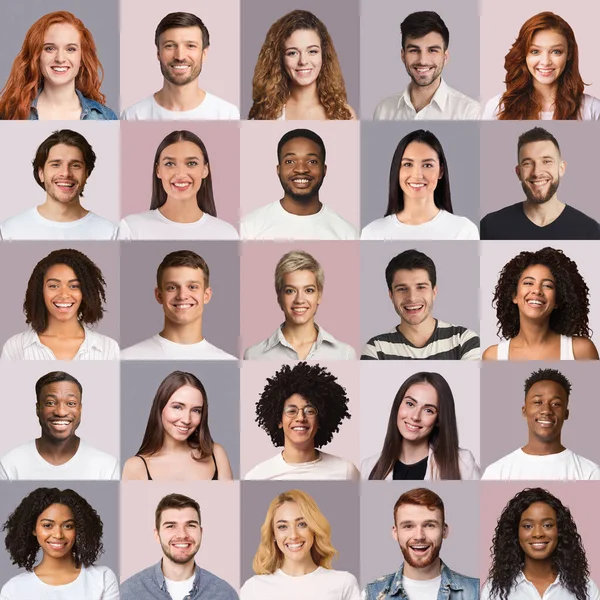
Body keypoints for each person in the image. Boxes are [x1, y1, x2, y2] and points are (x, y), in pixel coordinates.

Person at [245, 362, 359, 480]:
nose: (300, 418)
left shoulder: (346, 472)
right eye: (291, 411)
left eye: (309, 411)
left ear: (320, 420)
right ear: (279, 420)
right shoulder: (258, 477)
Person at [480, 127, 600, 239]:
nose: (537, 172)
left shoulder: (590, 231)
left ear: (561, 168)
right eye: (527, 163)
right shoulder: (491, 226)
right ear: (518, 172)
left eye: (546, 161)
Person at [481, 488, 600, 600]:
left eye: (547, 525)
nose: (538, 534)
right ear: (515, 532)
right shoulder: (493, 590)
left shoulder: (587, 588)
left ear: (560, 531)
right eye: (528, 526)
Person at [0, 248, 119, 360]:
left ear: (86, 292)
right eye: (53, 286)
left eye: (74, 286)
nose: (63, 294)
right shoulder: (15, 348)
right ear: (40, 291)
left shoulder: (108, 349)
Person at [0, 487, 119, 599]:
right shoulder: (13, 590)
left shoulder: (102, 578)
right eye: (47, 525)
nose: (58, 535)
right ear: (33, 529)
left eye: (68, 526)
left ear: (79, 529)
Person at [118, 130, 238, 240]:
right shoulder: (131, 228)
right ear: (158, 170)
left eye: (191, 163)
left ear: (205, 170)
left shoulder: (226, 233)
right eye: (170, 164)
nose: (180, 174)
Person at [240, 489, 360, 599]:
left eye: (302, 524)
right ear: (273, 535)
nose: (293, 535)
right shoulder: (254, 588)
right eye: (283, 526)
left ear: (314, 529)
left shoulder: (343, 583)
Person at [483, 247, 599, 361]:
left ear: (557, 301)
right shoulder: (493, 357)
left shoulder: (581, 351)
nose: (537, 290)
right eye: (528, 283)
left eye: (547, 285)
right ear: (514, 295)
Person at [482, 368, 600, 480]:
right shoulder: (496, 472)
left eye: (555, 404)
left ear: (566, 413)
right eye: (538, 402)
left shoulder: (589, 472)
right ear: (524, 410)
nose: (546, 410)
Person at [362, 488, 479, 600]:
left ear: (444, 531)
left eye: (429, 525)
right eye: (408, 526)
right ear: (395, 533)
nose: (419, 536)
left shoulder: (475, 591)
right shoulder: (371, 595)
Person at [361, 250, 480, 360]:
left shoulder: (464, 340)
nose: (412, 298)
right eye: (402, 289)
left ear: (434, 292)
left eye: (421, 287)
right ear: (391, 295)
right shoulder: (376, 349)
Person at [241, 129, 358, 240]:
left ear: (324, 170)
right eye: (290, 161)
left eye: (312, 161)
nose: (301, 169)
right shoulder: (249, 227)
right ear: (278, 169)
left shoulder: (347, 233)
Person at [0, 371, 118, 480]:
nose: (61, 412)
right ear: (38, 409)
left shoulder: (107, 467)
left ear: (80, 409)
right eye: (50, 403)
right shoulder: (10, 464)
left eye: (71, 403)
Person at [0, 129, 117, 240]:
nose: (66, 173)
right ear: (41, 173)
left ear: (86, 173)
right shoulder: (9, 231)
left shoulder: (110, 232)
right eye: (56, 164)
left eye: (75, 165)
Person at [361, 130, 479, 240]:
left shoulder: (463, 231)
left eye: (427, 165)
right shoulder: (372, 233)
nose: (417, 175)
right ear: (397, 170)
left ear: (441, 171)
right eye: (408, 164)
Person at [361, 372, 480, 480]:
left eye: (428, 410)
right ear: (397, 406)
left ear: (439, 419)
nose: (415, 417)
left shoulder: (462, 464)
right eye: (410, 404)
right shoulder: (368, 467)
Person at [121, 12, 239, 120]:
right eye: (170, 46)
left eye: (191, 46)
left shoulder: (226, 115)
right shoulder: (133, 116)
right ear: (158, 53)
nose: (180, 56)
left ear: (204, 53)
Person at [120, 250, 236, 360]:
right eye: (172, 288)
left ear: (206, 295)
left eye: (192, 287)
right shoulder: (127, 357)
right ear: (159, 295)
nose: (182, 296)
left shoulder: (228, 360)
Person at [0, 11, 117, 120]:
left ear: (82, 58)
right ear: (37, 56)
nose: (60, 59)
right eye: (50, 48)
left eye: (70, 49)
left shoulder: (106, 117)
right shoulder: (9, 114)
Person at [482, 12, 600, 120]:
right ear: (524, 54)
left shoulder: (592, 109)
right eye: (535, 51)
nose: (545, 61)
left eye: (556, 51)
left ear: (568, 54)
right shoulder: (498, 108)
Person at [120, 493, 238, 599]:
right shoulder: (128, 593)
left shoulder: (225, 594)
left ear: (200, 532)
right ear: (157, 535)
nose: (182, 534)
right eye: (170, 526)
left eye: (190, 525)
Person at [244, 250, 355, 360]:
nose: (299, 300)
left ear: (319, 296)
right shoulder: (254, 356)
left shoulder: (344, 355)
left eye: (309, 290)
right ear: (279, 297)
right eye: (290, 291)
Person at [122, 370, 232, 480]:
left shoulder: (216, 454)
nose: (187, 420)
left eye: (196, 410)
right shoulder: (136, 467)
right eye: (178, 407)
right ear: (160, 408)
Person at [249, 10, 355, 120]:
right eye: (292, 53)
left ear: (323, 55)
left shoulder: (344, 114)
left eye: (312, 51)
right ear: (279, 59)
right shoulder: (266, 114)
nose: (303, 61)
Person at [373, 11, 480, 120]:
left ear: (445, 57)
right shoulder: (383, 111)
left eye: (432, 50)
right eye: (414, 50)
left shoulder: (469, 112)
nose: (423, 61)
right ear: (403, 55)